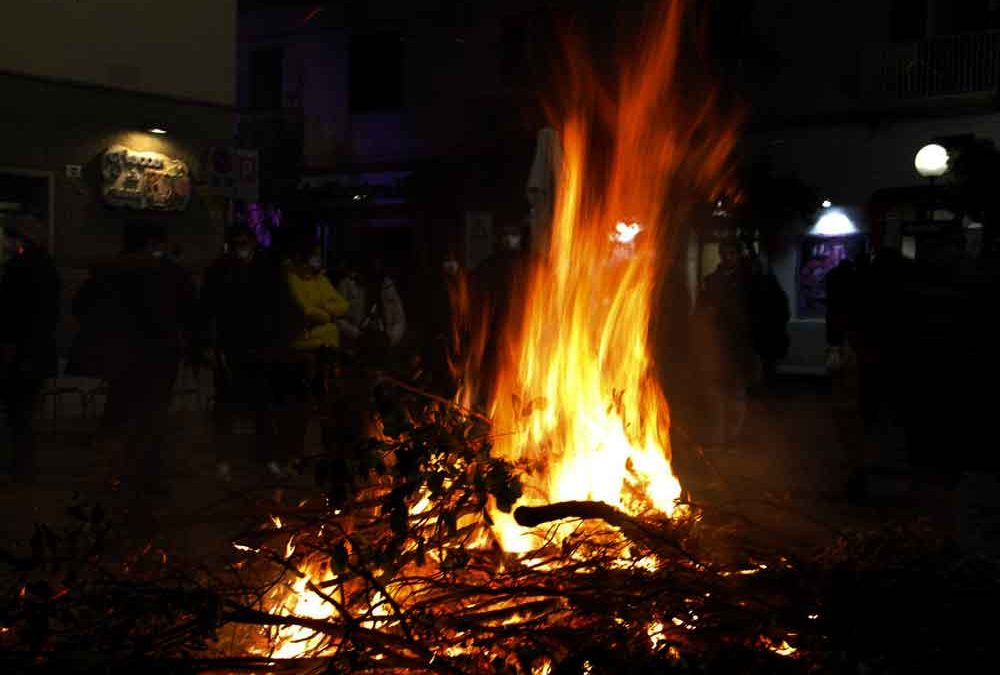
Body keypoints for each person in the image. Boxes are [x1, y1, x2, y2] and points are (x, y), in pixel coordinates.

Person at [68, 222, 198, 512]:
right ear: (155, 243)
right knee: (152, 417)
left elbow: (79, 307)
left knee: (117, 415)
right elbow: (191, 312)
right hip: (159, 358)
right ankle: (146, 479)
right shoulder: (169, 273)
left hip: (120, 357)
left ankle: (107, 480)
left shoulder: (109, 271)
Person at [270, 230, 349, 475]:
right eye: (314, 254)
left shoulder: (319, 279)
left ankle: (326, 455)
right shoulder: (290, 278)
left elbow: (342, 304)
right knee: (301, 406)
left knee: (327, 403)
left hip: (327, 348)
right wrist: (326, 313)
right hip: (304, 350)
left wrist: (323, 311)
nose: (317, 259)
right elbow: (306, 311)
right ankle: (292, 455)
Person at [0, 223, 60, 482]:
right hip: (39, 351)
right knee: (24, 413)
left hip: (20, 353)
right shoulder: (47, 268)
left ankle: (16, 467)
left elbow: (11, 314)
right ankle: (24, 467)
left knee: (16, 413)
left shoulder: (18, 269)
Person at [696, 238, 756, 450]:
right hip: (717, 344)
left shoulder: (749, 281)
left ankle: (734, 436)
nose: (729, 257)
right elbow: (703, 310)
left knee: (737, 393)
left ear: (738, 256)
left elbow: (756, 312)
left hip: (739, 345)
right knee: (717, 392)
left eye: (733, 253)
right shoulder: (713, 281)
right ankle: (720, 435)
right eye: (726, 253)